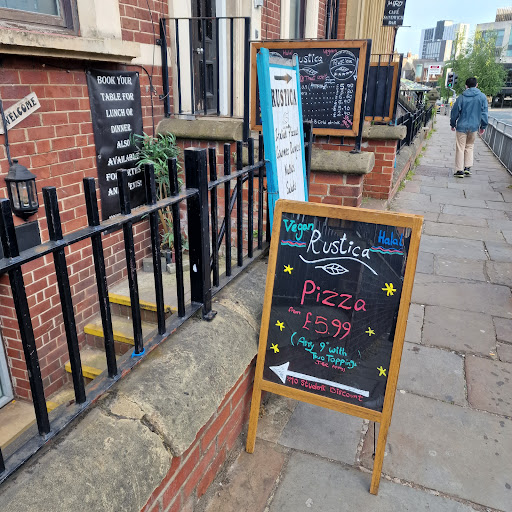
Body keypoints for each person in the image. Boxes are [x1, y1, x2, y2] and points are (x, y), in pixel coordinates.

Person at [450, 77, 488, 178]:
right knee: (470, 146)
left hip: (462, 126)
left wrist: (452, 124)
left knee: (460, 147)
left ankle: (459, 170)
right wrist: (483, 126)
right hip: (474, 126)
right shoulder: (482, 97)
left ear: (466, 86)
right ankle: (467, 167)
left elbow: (454, 112)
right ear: (477, 85)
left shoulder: (462, 97)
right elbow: (484, 113)